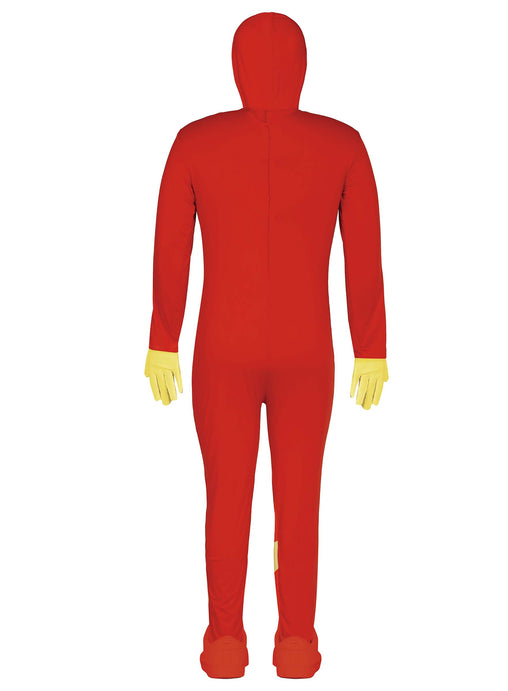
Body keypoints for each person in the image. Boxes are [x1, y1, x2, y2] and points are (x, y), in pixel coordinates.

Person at [144, 11, 388, 678]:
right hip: (308, 351)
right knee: (299, 501)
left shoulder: (195, 141)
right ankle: (297, 644)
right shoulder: (342, 144)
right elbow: (364, 253)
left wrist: (163, 337)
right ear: (302, 65)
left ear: (236, 63)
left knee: (226, 500)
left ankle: (225, 644)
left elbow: (171, 245)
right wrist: (370, 347)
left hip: (221, 349)